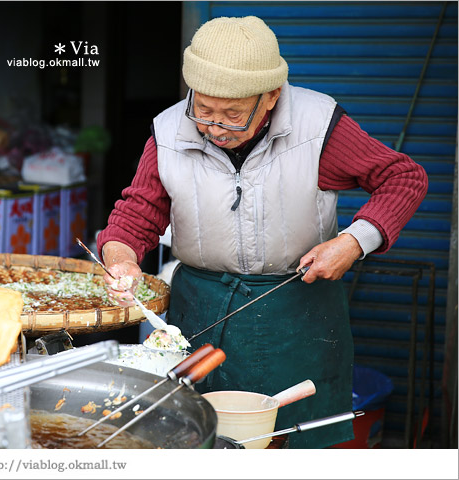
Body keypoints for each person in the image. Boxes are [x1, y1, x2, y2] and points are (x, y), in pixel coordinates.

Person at [97, 16, 427, 448]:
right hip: (201, 312)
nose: (214, 128)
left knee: (292, 443)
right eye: (203, 110)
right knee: (198, 437)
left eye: (232, 115)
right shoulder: (169, 130)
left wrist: (352, 242)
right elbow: (138, 213)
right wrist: (121, 259)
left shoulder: (318, 126)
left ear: (271, 96)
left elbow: (403, 178)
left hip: (296, 312)